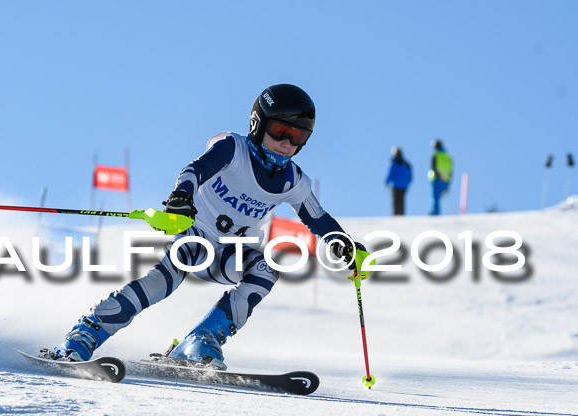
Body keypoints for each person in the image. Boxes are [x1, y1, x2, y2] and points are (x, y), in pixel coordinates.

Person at [47, 84, 371, 369]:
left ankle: (200, 339)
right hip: (195, 234)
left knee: (265, 269)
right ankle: (87, 332)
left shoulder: (293, 180)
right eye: (279, 131)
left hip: (230, 253)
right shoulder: (234, 147)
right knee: (167, 277)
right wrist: (181, 198)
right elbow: (194, 170)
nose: (286, 143)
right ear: (258, 125)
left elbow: (316, 217)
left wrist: (344, 246)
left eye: (297, 137)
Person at [385, 146, 413, 215]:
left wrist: (387, 182)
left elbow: (391, 173)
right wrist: (407, 182)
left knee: (395, 200)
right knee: (401, 199)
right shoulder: (407, 164)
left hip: (396, 185)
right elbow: (410, 176)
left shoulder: (394, 163)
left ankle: (396, 213)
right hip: (404, 185)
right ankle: (401, 213)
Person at [428, 139, 453, 215]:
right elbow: (450, 172)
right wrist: (448, 184)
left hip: (436, 179)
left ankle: (435, 213)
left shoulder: (435, 155)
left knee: (435, 198)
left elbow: (433, 167)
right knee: (437, 198)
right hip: (445, 181)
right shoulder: (448, 157)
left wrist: (439, 176)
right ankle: (435, 212)